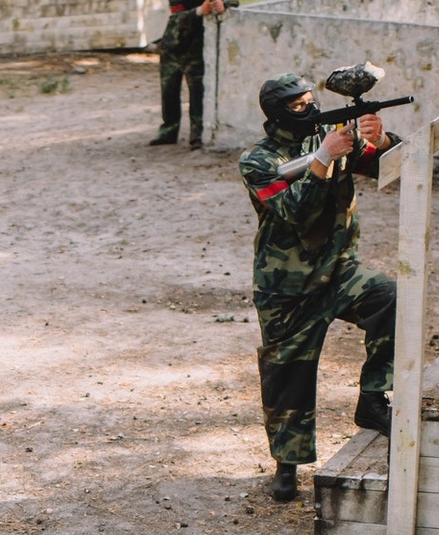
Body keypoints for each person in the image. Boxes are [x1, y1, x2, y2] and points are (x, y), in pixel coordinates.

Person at [239, 73, 399, 502]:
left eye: (311, 100)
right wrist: (324, 157)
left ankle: (373, 399)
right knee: (287, 376)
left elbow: (390, 165)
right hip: (286, 286)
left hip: (338, 271)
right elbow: (296, 210)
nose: (309, 109)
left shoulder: (332, 139)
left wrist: (380, 139)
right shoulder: (257, 161)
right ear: (277, 113)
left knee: (389, 297)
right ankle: (286, 465)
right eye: (298, 105)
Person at [151, 0, 233, 148]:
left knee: (197, 92)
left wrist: (223, 4)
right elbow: (177, 18)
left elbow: (234, 2)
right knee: (169, 91)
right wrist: (199, 11)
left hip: (197, 49)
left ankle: (197, 134)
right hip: (173, 47)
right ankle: (168, 132)